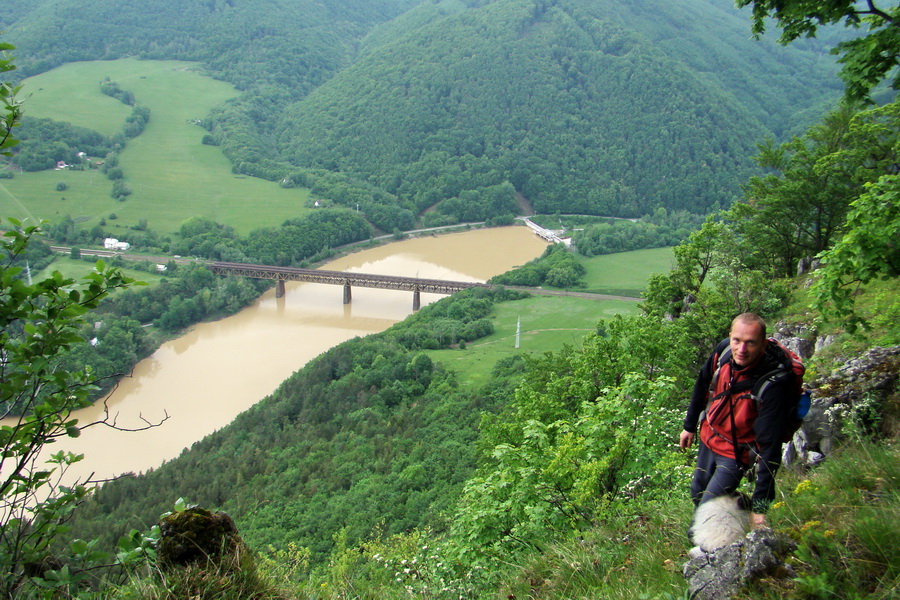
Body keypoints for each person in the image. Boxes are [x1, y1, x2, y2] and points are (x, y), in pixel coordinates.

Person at [679, 313, 792, 529]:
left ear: (763, 344)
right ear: (730, 337)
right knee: (698, 493)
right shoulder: (723, 352)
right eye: (737, 341)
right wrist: (689, 426)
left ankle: (704, 550)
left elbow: (770, 446)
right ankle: (738, 508)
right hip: (709, 438)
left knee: (707, 512)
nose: (741, 349)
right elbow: (703, 383)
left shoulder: (772, 384)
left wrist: (761, 506)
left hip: (735, 454)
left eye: (751, 343)